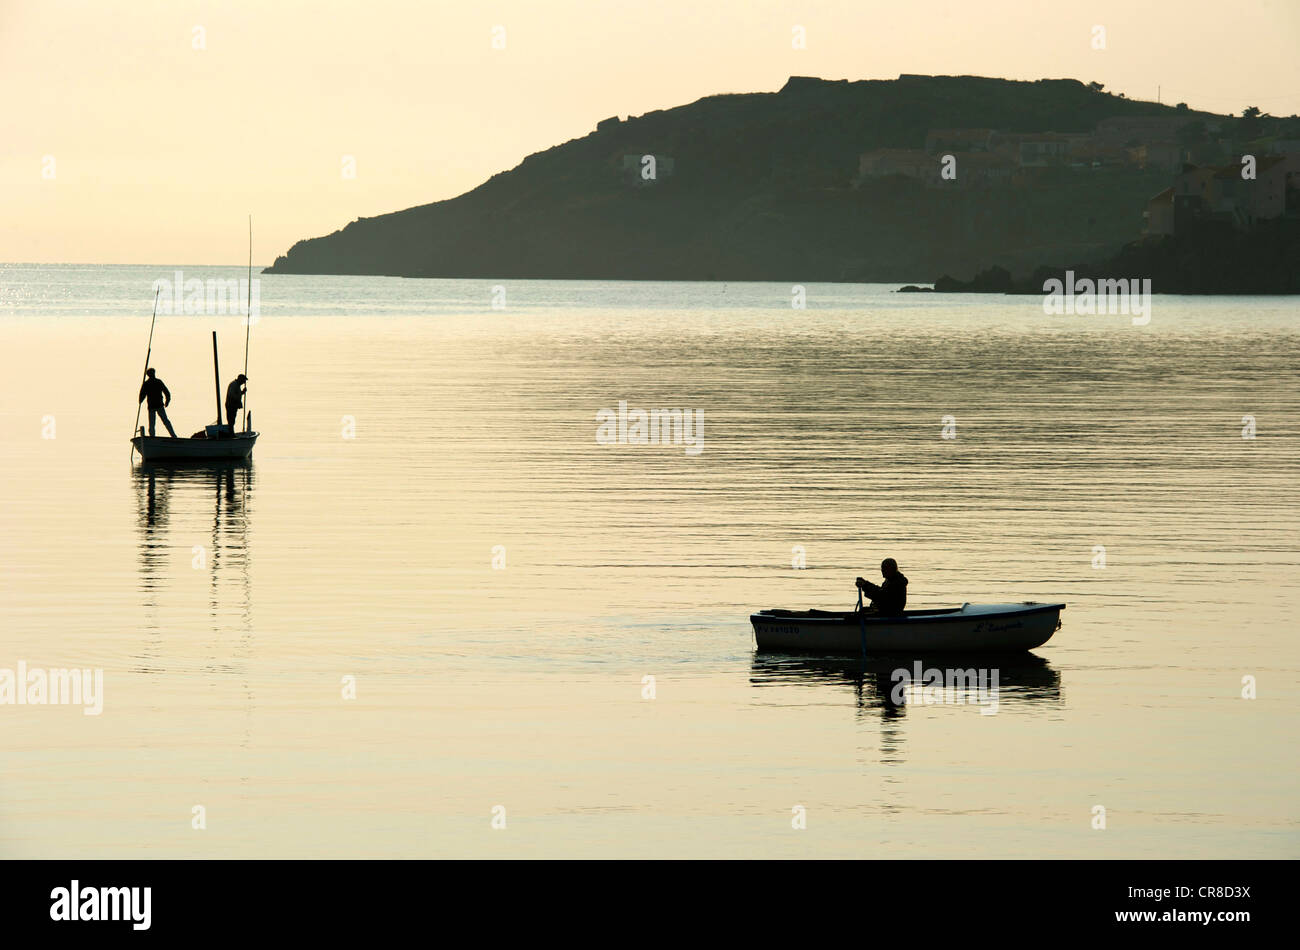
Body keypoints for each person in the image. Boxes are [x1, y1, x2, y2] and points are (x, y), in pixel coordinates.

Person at [138, 368, 177, 438]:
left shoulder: (155, 382)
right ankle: (153, 437)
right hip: (152, 406)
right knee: (153, 423)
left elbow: (167, 392)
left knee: (165, 421)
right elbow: (142, 395)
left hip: (158, 406)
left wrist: (167, 401)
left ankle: (173, 436)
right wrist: (140, 400)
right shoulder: (147, 384)